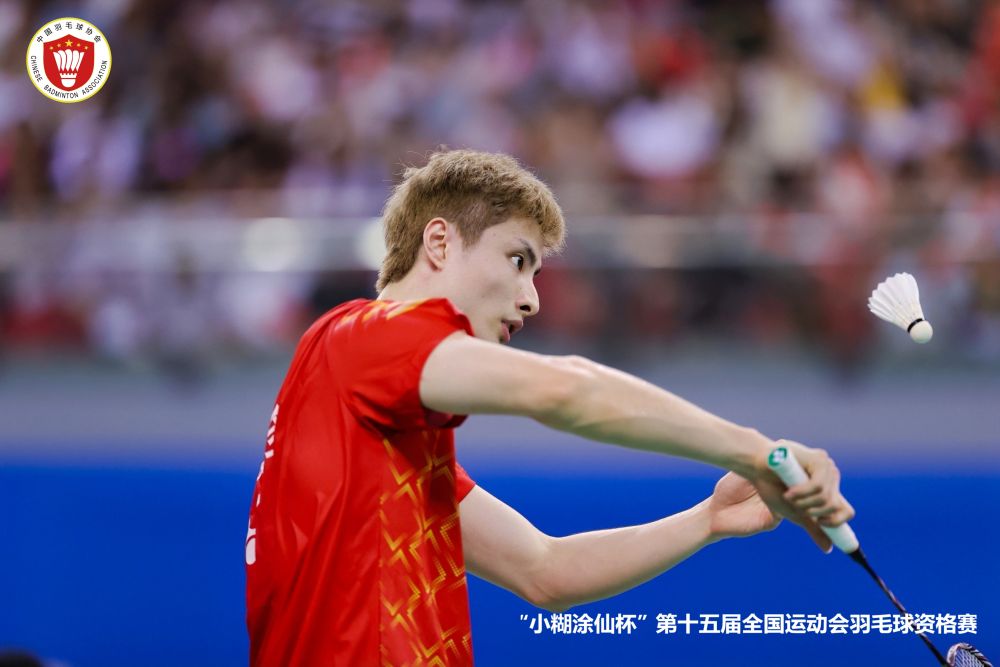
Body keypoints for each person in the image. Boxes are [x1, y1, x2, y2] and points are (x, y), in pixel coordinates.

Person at [244, 149, 854, 666]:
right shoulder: (362, 336)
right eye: (517, 260)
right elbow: (566, 391)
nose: (532, 299)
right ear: (439, 242)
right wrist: (756, 452)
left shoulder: (384, 441)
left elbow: (546, 570)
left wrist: (709, 520)